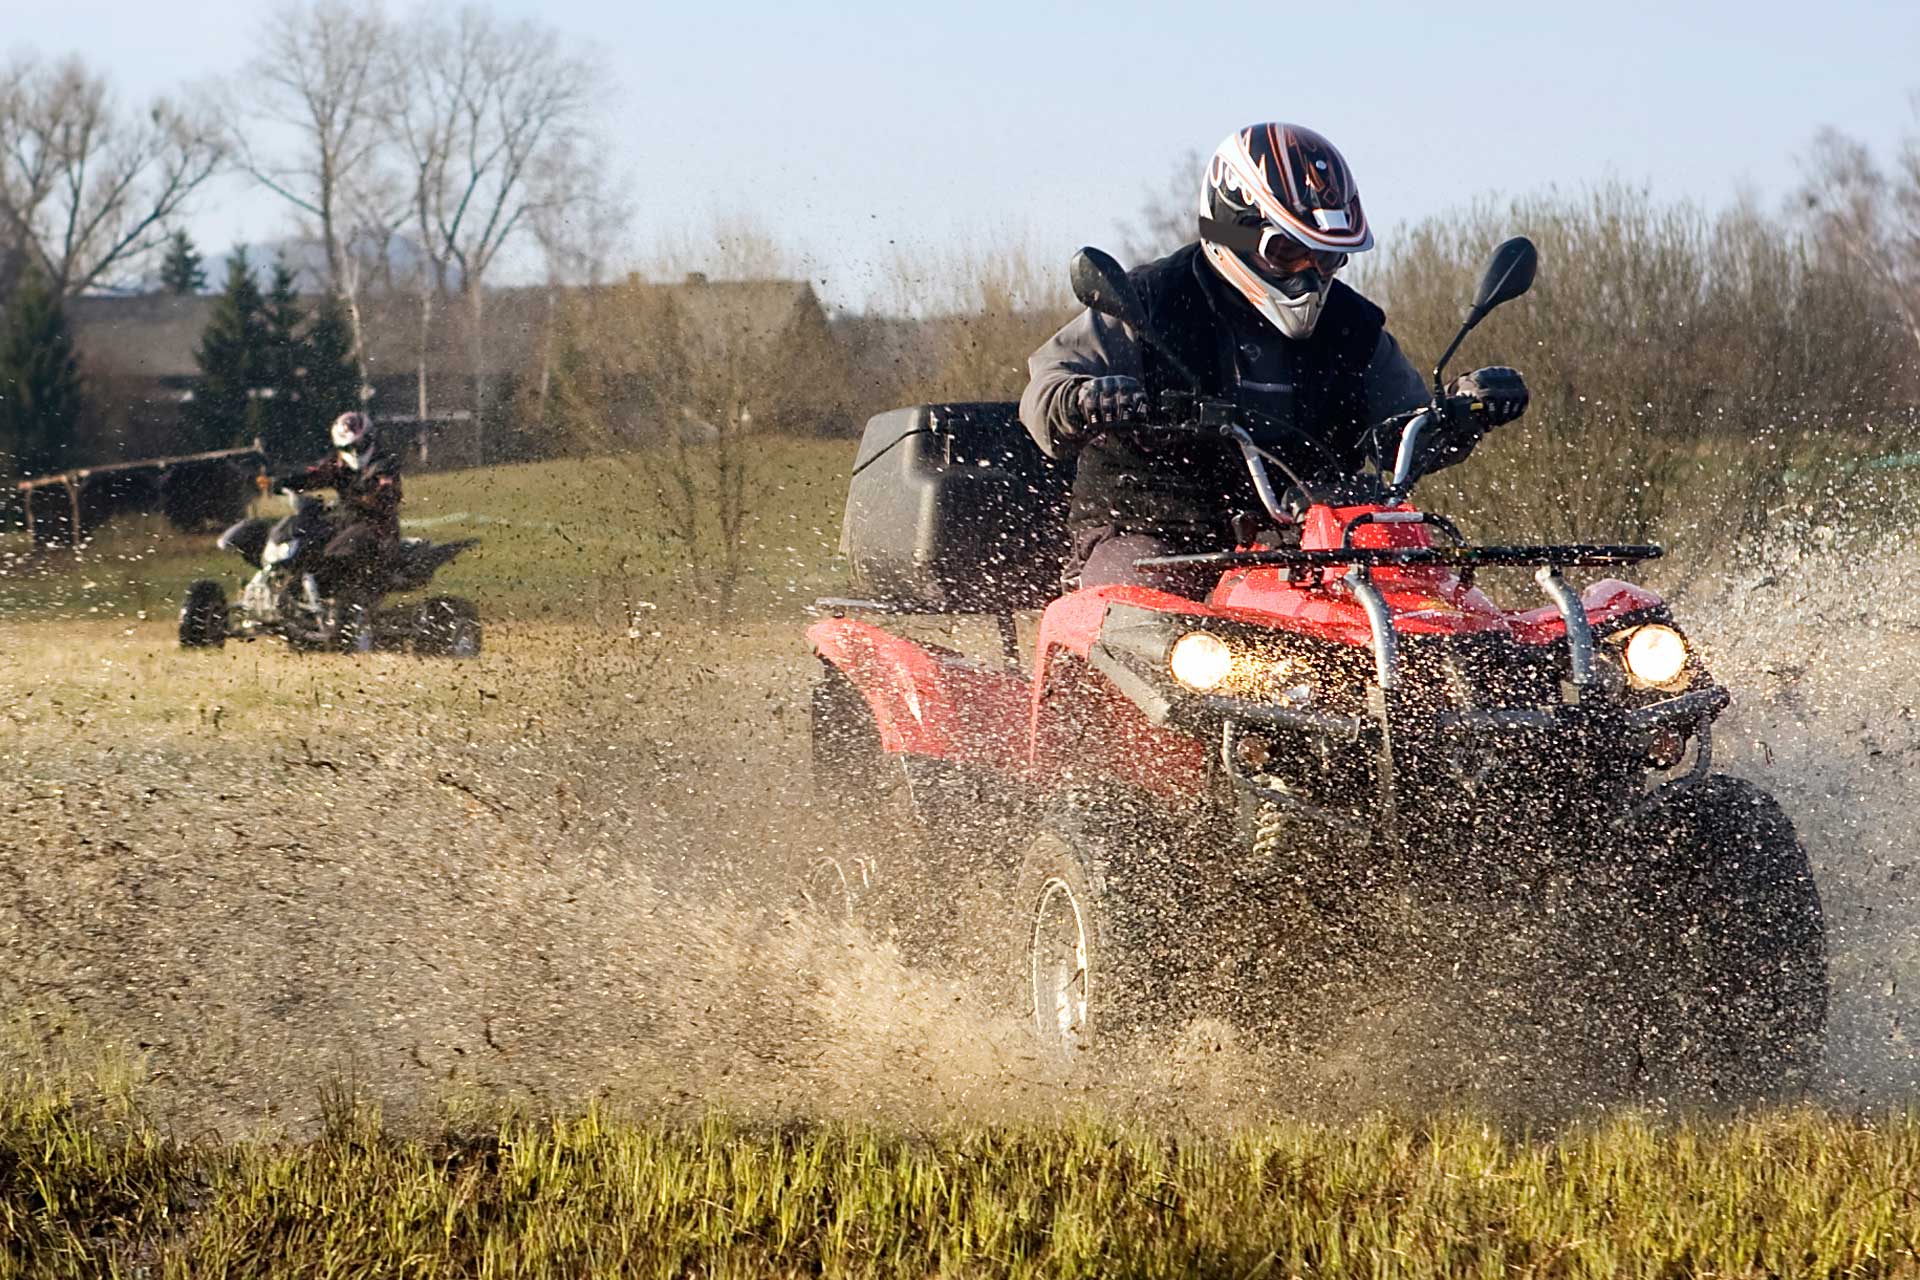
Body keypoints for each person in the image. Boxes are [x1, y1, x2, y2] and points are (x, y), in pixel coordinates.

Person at [1019, 122, 1530, 597]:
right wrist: (1085, 399)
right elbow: (1044, 393)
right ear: (1231, 232)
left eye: (1327, 258)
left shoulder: (1355, 329)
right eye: (1288, 254)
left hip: (1313, 543)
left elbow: (1404, 435)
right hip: (1155, 533)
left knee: (1423, 593)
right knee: (1142, 610)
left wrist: (1462, 415)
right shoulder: (1145, 303)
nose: (1310, 277)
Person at [263, 411, 403, 599]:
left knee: (334, 553)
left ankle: (342, 600)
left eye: (358, 445)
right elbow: (315, 475)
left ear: (369, 438)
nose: (353, 452)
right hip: (344, 521)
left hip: (377, 528)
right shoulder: (338, 464)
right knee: (306, 537)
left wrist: (362, 500)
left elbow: (386, 491)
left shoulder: (385, 463)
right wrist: (284, 482)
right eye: (348, 448)